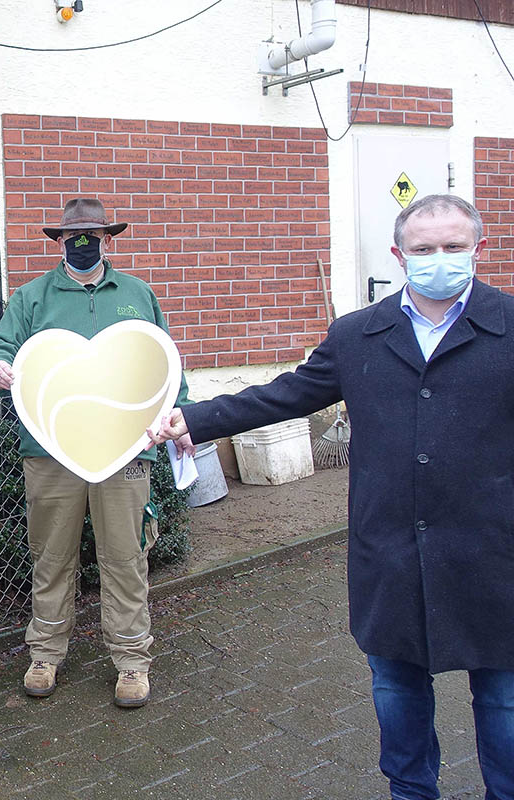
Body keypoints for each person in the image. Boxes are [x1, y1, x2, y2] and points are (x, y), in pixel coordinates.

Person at [148, 194, 514, 800]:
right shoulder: (359, 335)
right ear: (399, 255)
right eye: (424, 249)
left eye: (454, 246)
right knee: (397, 689)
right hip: (390, 548)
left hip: (492, 550)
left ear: (481, 250)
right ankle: (411, 792)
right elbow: (286, 394)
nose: (439, 259)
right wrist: (195, 418)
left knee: (502, 698)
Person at [0, 198, 190, 707]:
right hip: (51, 453)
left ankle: (132, 662)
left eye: (92, 236)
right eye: (73, 237)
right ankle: (45, 654)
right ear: (58, 242)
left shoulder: (139, 295)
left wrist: (183, 420)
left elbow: (164, 366)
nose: (82, 245)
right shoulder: (31, 298)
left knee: (124, 557)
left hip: (124, 452)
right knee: (51, 557)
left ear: (108, 239)